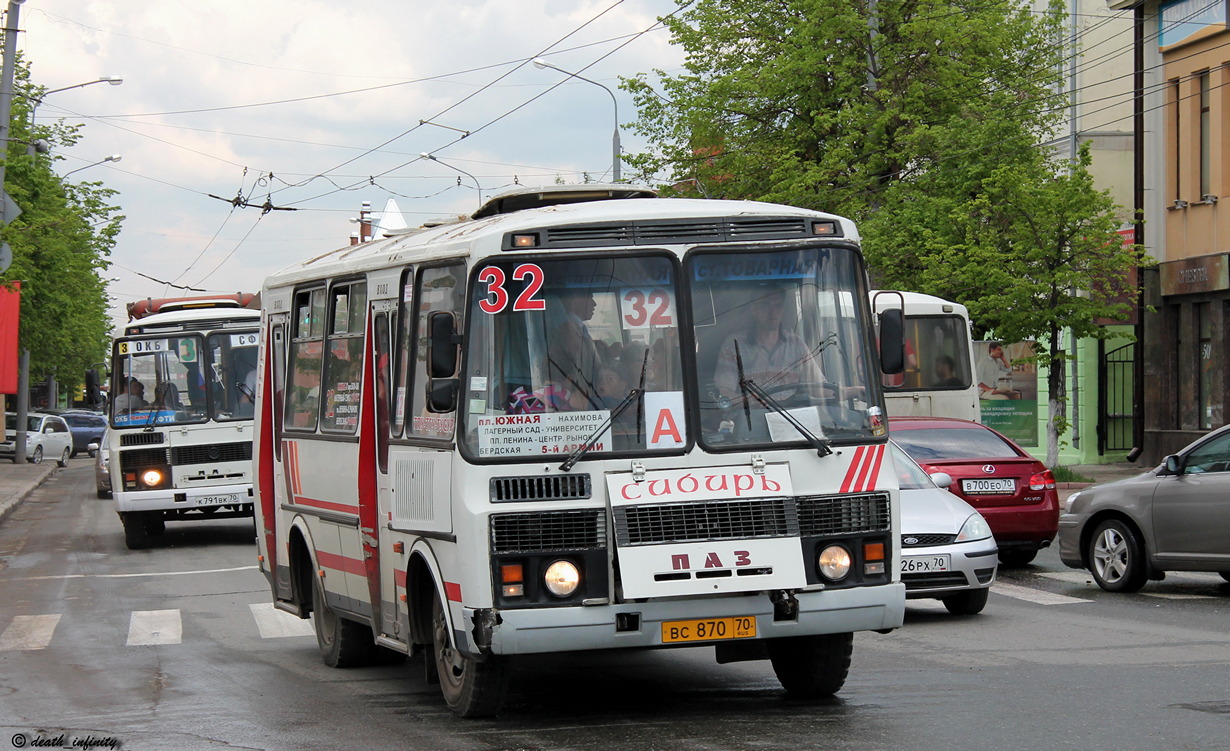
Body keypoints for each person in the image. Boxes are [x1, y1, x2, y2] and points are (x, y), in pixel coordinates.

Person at [713, 287, 824, 402]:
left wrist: (841, 393)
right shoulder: (734, 345)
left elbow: (818, 388)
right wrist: (753, 403)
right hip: (749, 416)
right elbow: (724, 394)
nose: (773, 312)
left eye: (778, 305)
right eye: (766, 305)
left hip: (791, 418)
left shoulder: (796, 344)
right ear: (754, 309)